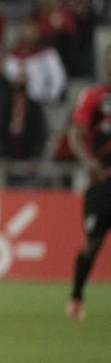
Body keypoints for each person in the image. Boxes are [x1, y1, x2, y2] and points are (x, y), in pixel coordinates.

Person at [66, 49, 111, 321]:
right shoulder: (94, 96)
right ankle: (76, 296)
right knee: (92, 242)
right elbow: (76, 133)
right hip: (102, 183)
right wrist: (88, 161)